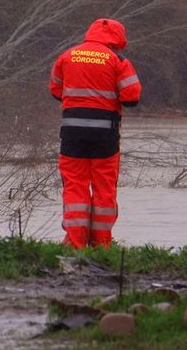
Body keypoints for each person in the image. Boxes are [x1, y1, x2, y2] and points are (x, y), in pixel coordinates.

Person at [48, 18, 141, 249]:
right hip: (105, 137)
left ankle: (75, 243)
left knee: (75, 186)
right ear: (118, 38)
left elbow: (55, 90)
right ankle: (101, 244)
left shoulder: (68, 56)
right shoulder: (118, 60)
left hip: (72, 134)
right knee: (104, 189)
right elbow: (131, 97)